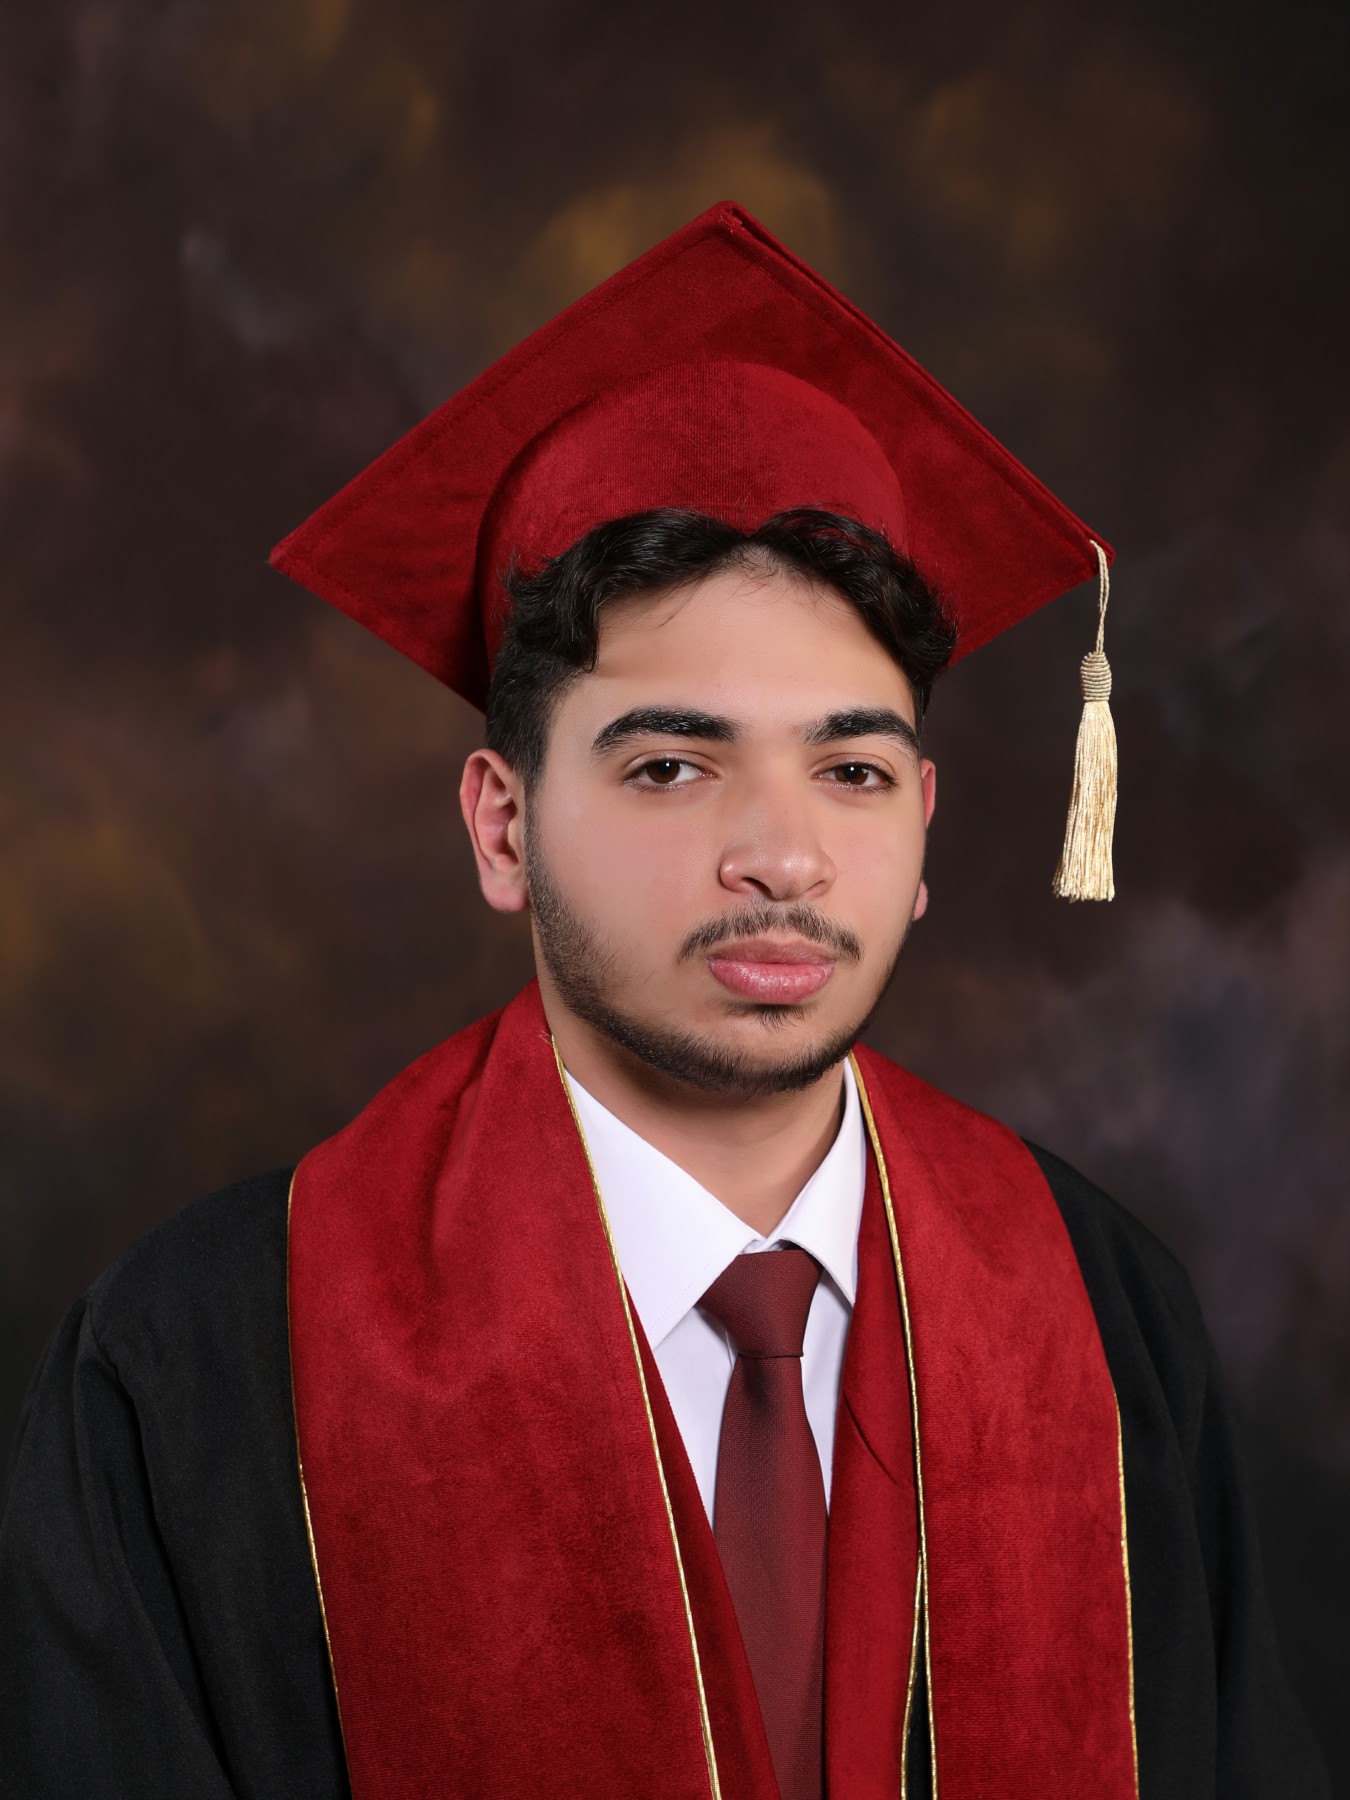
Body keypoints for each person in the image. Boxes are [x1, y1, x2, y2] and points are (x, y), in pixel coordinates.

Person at [0, 203, 1328, 1800]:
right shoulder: (200, 1368)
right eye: (670, 767)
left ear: (923, 828)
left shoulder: (1107, 1318)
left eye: (850, 770)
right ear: (502, 827)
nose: (779, 854)